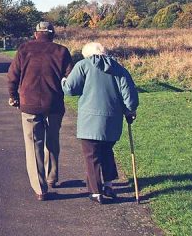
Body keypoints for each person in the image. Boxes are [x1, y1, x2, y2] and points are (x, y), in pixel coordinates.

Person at [62, 42, 138, 204]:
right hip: (112, 120)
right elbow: (129, 96)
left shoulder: (83, 65)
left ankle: (96, 192)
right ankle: (108, 185)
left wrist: (63, 80)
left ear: (87, 54)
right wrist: (130, 110)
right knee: (107, 151)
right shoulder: (119, 68)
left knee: (92, 155)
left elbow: (69, 89)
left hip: (89, 121)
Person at [7, 21, 73, 201]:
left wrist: (13, 95)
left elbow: (13, 75)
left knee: (33, 145)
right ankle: (52, 177)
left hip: (29, 104)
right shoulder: (62, 51)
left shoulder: (24, 49)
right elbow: (71, 78)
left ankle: (40, 189)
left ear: (36, 33)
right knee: (52, 141)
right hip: (54, 104)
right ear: (52, 34)